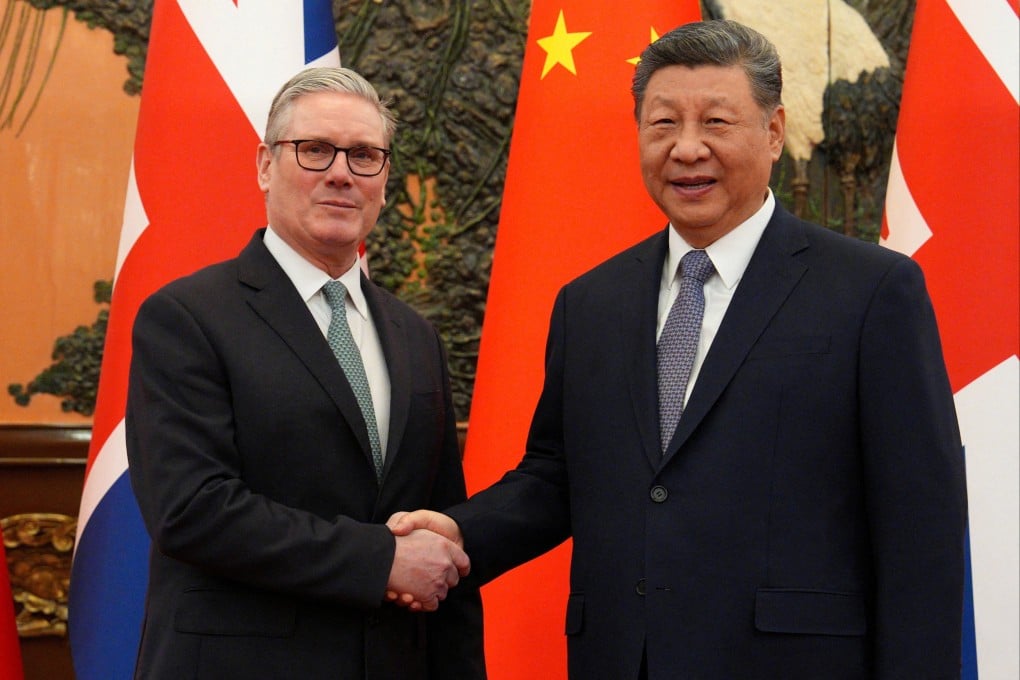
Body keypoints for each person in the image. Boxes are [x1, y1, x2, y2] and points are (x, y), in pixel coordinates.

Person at [389, 19, 967, 680]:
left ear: (774, 132)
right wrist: (462, 534)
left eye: (716, 123)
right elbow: (558, 475)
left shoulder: (870, 292)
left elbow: (919, 528)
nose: (686, 149)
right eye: (663, 124)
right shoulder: (591, 303)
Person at [125, 66, 485, 679]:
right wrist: (379, 562)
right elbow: (192, 510)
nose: (341, 172)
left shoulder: (415, 336)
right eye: (315, 149)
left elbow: (440, 531)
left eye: (365, 155)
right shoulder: (186, 317)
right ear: (265, 165)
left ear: (384, 179)